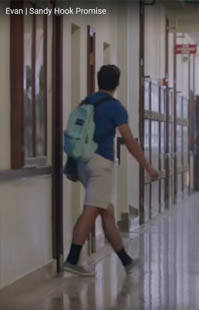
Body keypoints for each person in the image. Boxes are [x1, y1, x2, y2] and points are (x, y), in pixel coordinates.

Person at [64, 65, 159, 276]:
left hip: (82, 162)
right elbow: (130, 142)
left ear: (98, 81)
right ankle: (72, 259)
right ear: (117, 83)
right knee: (91, 210)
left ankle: (126, 261)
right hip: (100, 165)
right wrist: (147, 166)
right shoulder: (116, 107)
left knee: (107, 211)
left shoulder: (87, 102)